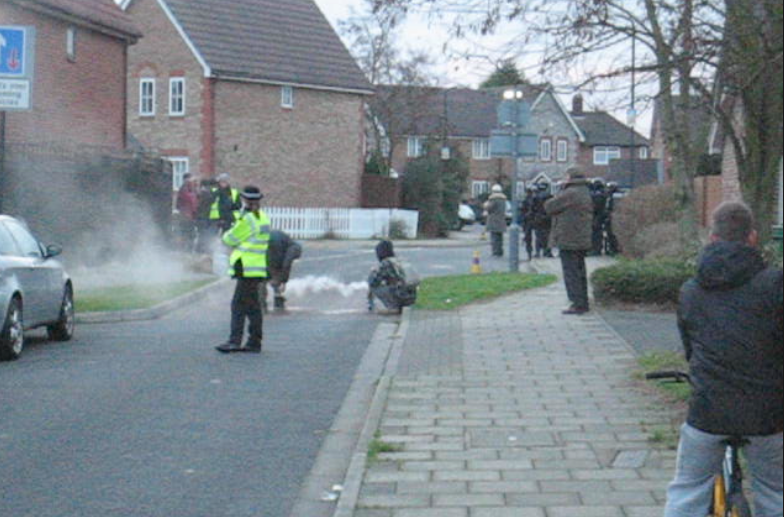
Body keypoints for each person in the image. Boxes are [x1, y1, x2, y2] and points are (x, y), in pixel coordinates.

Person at [664, 202, 783, 517]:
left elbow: (690, 346)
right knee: (775, 490)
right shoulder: (776, 285)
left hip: (709, 410)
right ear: (753, 238)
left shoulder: (691, 290)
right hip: (767, 413)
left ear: (713, 239)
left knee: (688, 488)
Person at [215, 186, 271, 354]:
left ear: (245, 200)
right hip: (257, 267)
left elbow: (230, 238)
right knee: (253, 307)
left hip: (245, 266)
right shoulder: (263, 218)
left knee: (238, 306)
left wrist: (229, 230)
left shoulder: (247, 219)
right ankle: (254, 341)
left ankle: (234, 341)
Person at [545, 168, 593, 315]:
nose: (563, 179)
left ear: (571, 177)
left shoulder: (570, 193)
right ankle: (582, 302)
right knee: (579, 271)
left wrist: (560, 190)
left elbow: (549, 206)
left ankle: (577, 303)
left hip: (569, 238)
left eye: (565, 176)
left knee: (571, 272)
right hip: (580, 237)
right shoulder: (584, 191)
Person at [368, 240, 418, 315]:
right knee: (394, 284)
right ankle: (400, 306)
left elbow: (372, 282)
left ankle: (393, 307)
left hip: (401, 295)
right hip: (412, 297)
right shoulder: (399, 260)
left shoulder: (386, 263)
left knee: (374, 288)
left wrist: (373, 271)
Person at [264, 230, 303, 312]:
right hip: (272, 247)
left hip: (270, 245)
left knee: (271, 275)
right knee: (270, 274)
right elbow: (285, 266)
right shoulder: (292, 251)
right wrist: (283, 280)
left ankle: (269, 299)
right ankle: (266, 301)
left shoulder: (290, 247)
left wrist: (282, 280)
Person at [175, 173, 199, 251]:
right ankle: (185, 250)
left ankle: (187, 249)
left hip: (188, 215)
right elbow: (191, 201)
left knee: (188, 233)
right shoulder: (186, 189)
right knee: (187, 233)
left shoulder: (188, 189)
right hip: (187, 215)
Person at [484, 184, 508, 257]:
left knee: (494, 237)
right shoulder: (503, 200)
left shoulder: (493, 199)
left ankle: (495, 252)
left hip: (494, 220)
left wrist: (485, 205)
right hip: (501, 220)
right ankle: (500, 251)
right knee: (500, 237)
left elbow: (489, 208)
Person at [532, 183, 554, 258]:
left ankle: (538, 252)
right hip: (548, 218)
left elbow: (533, 209)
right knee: (548, 236)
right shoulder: (550, 197)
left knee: (538, 236)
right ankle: (548, 252)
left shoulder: (535, 197)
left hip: (538, 218)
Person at [589, 178, 608, 256]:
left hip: (597, 215)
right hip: (600, 215)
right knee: (597, 233)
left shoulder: (598, 194)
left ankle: (596, 249)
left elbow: (596, 206)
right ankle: (596, 249)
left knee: (595, 233)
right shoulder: (603, 193)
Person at [603, 182, 621, 256]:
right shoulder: (609, 196)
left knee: (611, 234)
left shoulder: (614, 196)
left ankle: (614, 249)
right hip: (611, 217)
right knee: (610, 234)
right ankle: (612, 248)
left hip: (612, 217)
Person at [521, 187, 537, 261]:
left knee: (528, 238)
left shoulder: (525, 201)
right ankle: (537, 252)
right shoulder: (535, 200)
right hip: (534, 220)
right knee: (537, 236)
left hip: (527, 221)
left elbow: (522, 211)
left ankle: (529, 254)